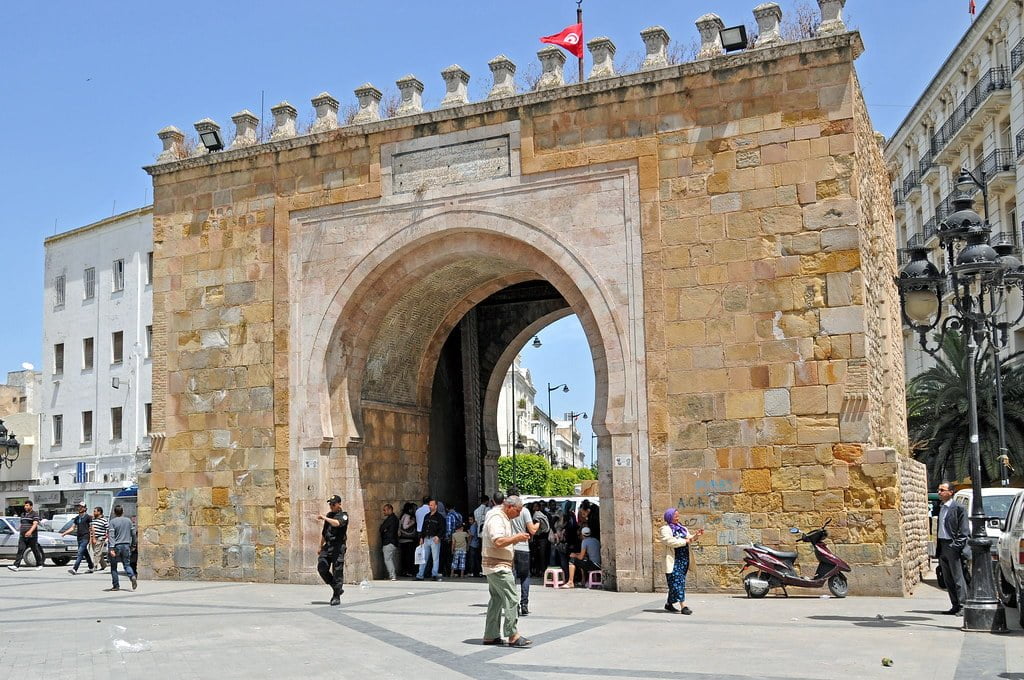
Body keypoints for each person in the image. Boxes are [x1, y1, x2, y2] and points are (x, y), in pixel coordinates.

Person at [481, 496, 532, 648]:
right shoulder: (497, 518)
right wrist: (517, 537)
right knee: (512, 598)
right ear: (509, 507)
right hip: (498, 566)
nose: (518, 514)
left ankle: (491, 635)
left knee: (496, 599)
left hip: (493, 564)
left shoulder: (497, 515)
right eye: (517, 511)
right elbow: (498, 541)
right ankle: (512, 634)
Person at [660, 508, 703, 615]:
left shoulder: (682, 528)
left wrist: (696, 536)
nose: (677, 517)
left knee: (676, 582)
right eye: (675, 515)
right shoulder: (665, 529)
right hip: (673, 560)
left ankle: (669, 604)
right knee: (677, 582)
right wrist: (685, 541)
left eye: (678, 515)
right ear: (669, 517)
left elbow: (689, 538)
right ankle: (683, 606)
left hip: (683, 559)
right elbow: (669, 541)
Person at [936, 482, 970, 615]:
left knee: (958, 577)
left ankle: (963, 605)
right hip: (943, 545)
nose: (939, 492)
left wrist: (956, 546)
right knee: (947, 578)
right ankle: (955, 604)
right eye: (939, 490)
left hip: (953, 546)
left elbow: (964, 530)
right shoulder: (942, 507)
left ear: (951, 492)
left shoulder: (958, 508)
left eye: (942, 490)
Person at [508, 488, 538, 616]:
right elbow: (532, 530)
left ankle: (514, 605)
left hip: (510, 547)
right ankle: (524, 604)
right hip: (523, 547)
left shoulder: (506, 512)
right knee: (525, 576)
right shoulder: (524, 511)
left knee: (512, 577)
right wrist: (538, 524)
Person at [317, 494, 349, 606]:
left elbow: (337, 523)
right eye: (330, 504)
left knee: (337, 571)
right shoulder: (329, 515)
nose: (331, 506)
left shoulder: (344, 516)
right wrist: (320, 546)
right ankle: (336, 588)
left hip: (338, 547)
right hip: (328, 545)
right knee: (322, 567)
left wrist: (325, 518)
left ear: (339, 504)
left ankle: (336, 596)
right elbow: (324, 532)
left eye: (333, 504)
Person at [104, 504, 137, 592]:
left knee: (114, 567)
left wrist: (111, 548)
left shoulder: (112, 522)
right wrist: (133, 545)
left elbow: (111, 535)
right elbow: (133, 534)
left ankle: (116, 585)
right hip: (126, 545)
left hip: (116, 546)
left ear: (114, 512)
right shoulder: (128, 521)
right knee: (126, 564)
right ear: (123, 512)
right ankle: (132, 576)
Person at [8, 500, 44, 571]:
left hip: (32, 536)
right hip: (22, 536)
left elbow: (35, 524)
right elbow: (22, 524)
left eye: (27, 505)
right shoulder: (23, 514)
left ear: (31, 506)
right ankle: (16, 566)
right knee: (20, 549)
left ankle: (39, 564)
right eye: (25, 505)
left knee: (35, 549)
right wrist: (20, 530)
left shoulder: (34, 514)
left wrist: (30, 531)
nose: (25, 507)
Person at [62, 501, 95, 575]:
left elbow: (92, 528)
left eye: (81, 507)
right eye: (79, 507)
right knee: (85, 552)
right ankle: (91, 567)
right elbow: (72, 528)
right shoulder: (77, 518)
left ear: (85, 508)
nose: (79, 508)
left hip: (85, 537)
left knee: (80, 553)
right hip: (79, 538)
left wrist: (93, 538)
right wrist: (65, 533)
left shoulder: (88, 517)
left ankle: (75, 569)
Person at [416, 499, 445, 581]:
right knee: (423, 558)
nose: (430, 506)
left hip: (434, 539)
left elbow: (442, 528)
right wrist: (421, 537)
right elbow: (424, 528)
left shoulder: (440, 517)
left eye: (431, 505)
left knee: (435, 558)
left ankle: (434, 574)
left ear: (436, 506)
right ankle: (420, 575)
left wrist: (438, 536)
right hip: (426, 538)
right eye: (429, 505)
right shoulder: (426, 516)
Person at [379, 503, 399, 581]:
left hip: (389, 542)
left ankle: (392, 575)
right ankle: (391, 575)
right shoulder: (394, 518)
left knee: (388, 559)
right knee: (390, 559)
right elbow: (383, 529)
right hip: (393, 542)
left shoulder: (390, 519)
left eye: (385, 510)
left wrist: (384, 530)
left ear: (390, 510)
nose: (383, 512)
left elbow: (382, 529)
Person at [398, 502, 418, 577]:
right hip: (407, 540)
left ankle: (405, 571)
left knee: (404, 556)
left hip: (403, 540)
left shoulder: (402, 516)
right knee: (408, 557)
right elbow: (405, 526)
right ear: (410, 509)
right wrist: (412, 522)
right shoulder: (407, 516)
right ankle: (408, 571)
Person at [443, 503, 462, 577]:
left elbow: (448, 529)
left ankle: (449, 572)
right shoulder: (459, 515)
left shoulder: (449, 516)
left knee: (449, 555)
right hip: (459, 538)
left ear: (447, 509)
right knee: (459, 555)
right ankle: (459, 571)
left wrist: (447, 538)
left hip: (451, 539)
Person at [91, 506, 109, 572]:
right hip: (93, 538)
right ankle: (103, 565)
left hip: (100, 538)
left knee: (97, 552)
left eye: (95, 511)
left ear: (99, 512)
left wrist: (106, 537)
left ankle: (94, 566)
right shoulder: (93, 520)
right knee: (98, 553)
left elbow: (108, 529)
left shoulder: (104, 520)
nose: (94, 512)